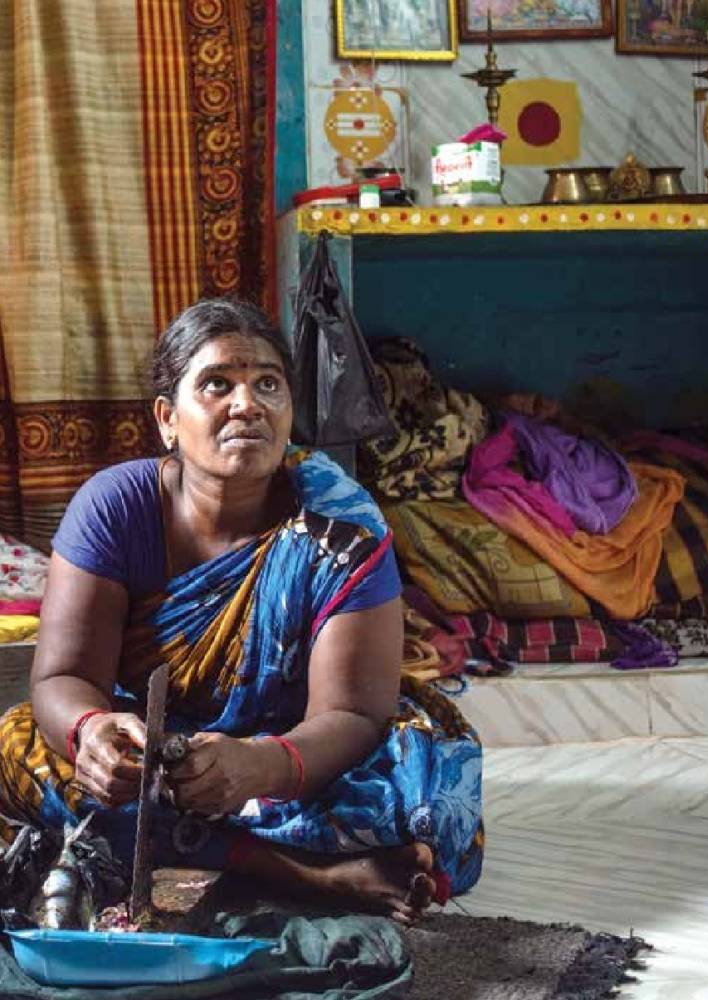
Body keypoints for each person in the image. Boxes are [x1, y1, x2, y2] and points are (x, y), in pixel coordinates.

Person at [0, 299, 483, 925]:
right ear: (168, 419)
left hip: (291, 748)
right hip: (152, 751)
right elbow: (63, 676)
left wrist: (262, 764)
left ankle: (194, 850)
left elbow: (354, 714)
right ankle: (307, 873)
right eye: (217, 384)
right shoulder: (115, 509)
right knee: (18, 747)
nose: (247, 404)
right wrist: (92, 733)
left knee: (414, 789)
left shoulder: (340, 524)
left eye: (268, 385)